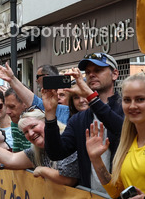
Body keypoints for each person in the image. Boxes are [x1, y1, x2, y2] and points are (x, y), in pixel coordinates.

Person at [43, 53, 124, 189]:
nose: (91, 75)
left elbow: (121, 130)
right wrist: (50, 114)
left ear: (115, 74)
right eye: (87, 72)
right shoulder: (79, 119)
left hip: (123, 198)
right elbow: (56, 153)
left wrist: (91, 97)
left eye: (98, 70)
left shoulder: (126, 108)